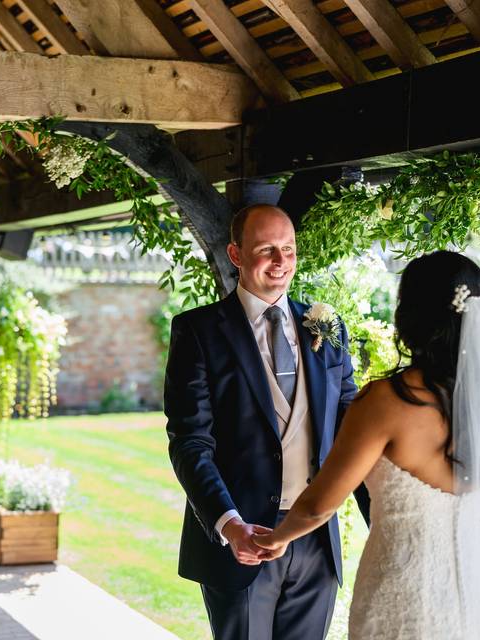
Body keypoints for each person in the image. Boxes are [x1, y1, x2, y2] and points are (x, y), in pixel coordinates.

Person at [255, 251, 480, 639]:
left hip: (404, 601)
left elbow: (318, 505)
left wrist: (275, 539)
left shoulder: (385, 401)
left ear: (410, 316)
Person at [165, 204, 367, 640]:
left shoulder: (325, 327)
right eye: (267, 249)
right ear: (236, 255)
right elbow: (189, 442)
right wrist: (230, 524)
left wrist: (385, 519)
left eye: (289, 250)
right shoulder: (198, 332)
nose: (281, 262)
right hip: (243, 543)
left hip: (316, 538)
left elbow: (355, 429)